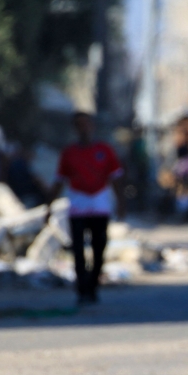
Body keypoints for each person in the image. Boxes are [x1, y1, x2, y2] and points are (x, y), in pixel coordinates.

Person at [55, 111, 124, 304]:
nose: (83, 128)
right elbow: (59, 180)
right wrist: (48, 205)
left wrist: (120, 203)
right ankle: (81, 289)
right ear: (75, 128)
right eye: (79, 125)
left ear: (92, 126)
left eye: (86, 124)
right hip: (78, 205)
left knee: (99, 247)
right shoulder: (69, 153)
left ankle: (93, 285)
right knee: (77, 249)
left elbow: (116, 178)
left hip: (100, 204)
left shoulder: (105, 150)